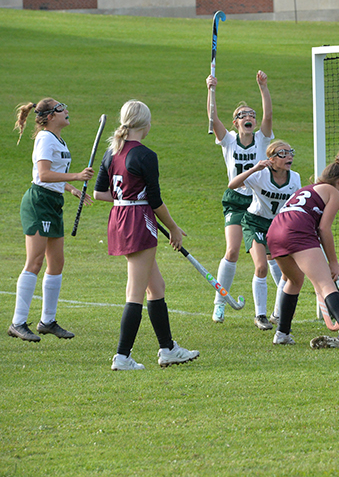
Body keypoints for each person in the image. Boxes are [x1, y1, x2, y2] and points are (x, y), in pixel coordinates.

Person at [94, 100, 199, 371]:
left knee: (156, 287)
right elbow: (154, 200)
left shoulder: (111, 152)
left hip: (119, 219)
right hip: (138, 221)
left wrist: (127, 199)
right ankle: (122, 356)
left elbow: (99, 193)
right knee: (136, 290)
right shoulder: (145, 155)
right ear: (146, 124)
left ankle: (168, 349)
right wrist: (174, 228)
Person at [266, 151, 339, 348]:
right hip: (296, 231)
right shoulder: (333, 192)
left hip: (274, 232)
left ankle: (282, 333)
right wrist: (333, 262)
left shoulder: (308, 189)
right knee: (326, 282)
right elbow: (324, 228)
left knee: (294, 281)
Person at [8, 99, 94, 342]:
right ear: (49, 116)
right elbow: (43, 174)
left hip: (53, 202)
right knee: (35, 262)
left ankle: (47, 321)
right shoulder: (45, 138)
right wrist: (76, 176)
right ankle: (18, 322)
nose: (66, 111)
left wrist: (70, 188)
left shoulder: (58, 140)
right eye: (61, 108)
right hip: (39, 203)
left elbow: (50, 175)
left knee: (56, 264)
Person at [207, 71, 278, 326]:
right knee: (233, 250)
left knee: (272, 255)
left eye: (251, 115)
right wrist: (211, 89)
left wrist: (263, 87)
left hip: (261, 202)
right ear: (236, 122)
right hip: (236, 200)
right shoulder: (228, 141)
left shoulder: (262, 138)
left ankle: (280, 306)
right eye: (243, 115)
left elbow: (268, 115)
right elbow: (212, 117)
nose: (249, 117)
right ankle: (219, 302)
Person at [227, 140, 301, 331]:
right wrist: (254, 168)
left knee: (287, 272)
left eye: (290, 152)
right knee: (261, 267)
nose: (289, 156)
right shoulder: (260, 175)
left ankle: (277, 314)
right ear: (271, 159)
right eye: (282, 153)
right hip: (254, 222)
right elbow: (232, 185)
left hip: (278, 226)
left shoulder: (295, 179)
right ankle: (260, 315)